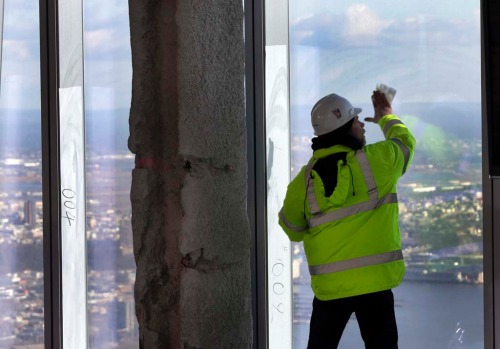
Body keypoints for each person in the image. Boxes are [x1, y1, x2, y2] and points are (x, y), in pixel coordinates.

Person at [278, 90, 416, 348]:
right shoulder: (377, 161)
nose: (362, 125)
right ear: (345, 129)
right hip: (375, 284)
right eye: (356, 121)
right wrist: (386, 115)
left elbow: (292, 229)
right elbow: (405, 142)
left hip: (330, 288)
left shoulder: (303, 182)